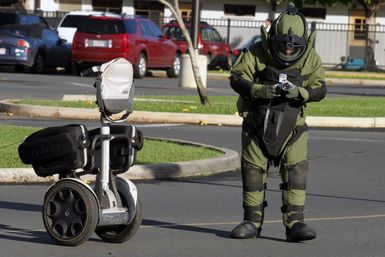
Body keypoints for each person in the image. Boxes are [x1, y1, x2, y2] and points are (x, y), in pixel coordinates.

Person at [229, 3, 327, 242]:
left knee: (296, 170)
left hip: (294, 126)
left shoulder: (311, 58)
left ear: (305, 43)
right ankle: (252, 221)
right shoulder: (255, 52)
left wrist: (300, 93)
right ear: (271, 39)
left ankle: (295, 222)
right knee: (253, 170)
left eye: (294, 48)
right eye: (283, 45)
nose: (288, 51)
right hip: (256, 122)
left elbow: (320, 88)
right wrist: (259, 90)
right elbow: (236, 77)